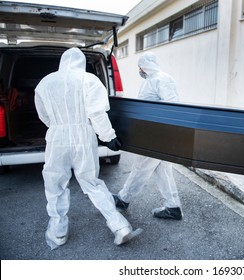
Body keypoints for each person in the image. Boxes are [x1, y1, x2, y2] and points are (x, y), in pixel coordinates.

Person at [34, 47, 142, 250]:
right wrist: (108, 137)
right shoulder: (89, 80)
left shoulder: (45, 83)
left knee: (55, 182)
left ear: (62, 62)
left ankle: (58, 231)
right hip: (84, 134)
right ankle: (119, 226)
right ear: (81, 62)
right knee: (92, 182)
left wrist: (58, 126)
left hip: (57, 135)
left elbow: (43, 115)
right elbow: (97, 113)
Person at [113, 52, 183, 220]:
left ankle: (123, 199)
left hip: (157, 134)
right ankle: (173, 207)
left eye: (140, 67)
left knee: (141, 167)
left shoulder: (162, 79)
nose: (139, 70)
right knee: (163, 170)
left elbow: (172, 105)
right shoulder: (151, 80)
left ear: (145, 66)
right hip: (155, 132)